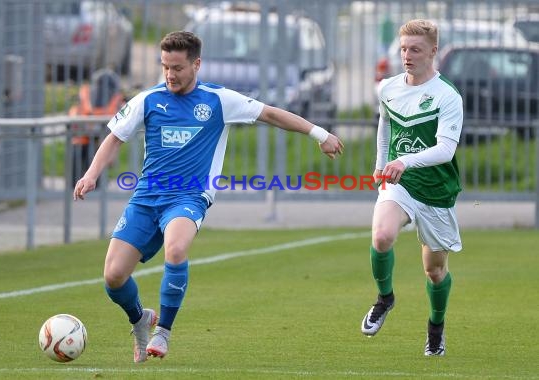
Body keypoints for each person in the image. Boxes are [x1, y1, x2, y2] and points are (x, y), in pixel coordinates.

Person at [73, 30, 344, 363]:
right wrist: (90, 174)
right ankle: (140, 319)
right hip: (146, 197)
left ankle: (164, 332)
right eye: (165, 67)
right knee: (113, 277)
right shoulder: (148, 100)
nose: (170, 75)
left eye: (177, 68)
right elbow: (115, 137)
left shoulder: (218, 99)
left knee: (175, 249)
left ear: (196, 64)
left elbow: (271, 113)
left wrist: (320, 133)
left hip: (190, 195)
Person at [360, 19, 463, 356]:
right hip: (400, 183)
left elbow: (445, 150)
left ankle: (436, 326)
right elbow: (385, 128)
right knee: (382, 235)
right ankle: (385, 298)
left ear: (432, 52)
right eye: (403, 48)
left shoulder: (447, 95)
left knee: (434, 271)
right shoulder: (388, 87)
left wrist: (405, 160)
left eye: (415, 49)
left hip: (436, 189)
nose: (407, 55)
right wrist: (381, 164)